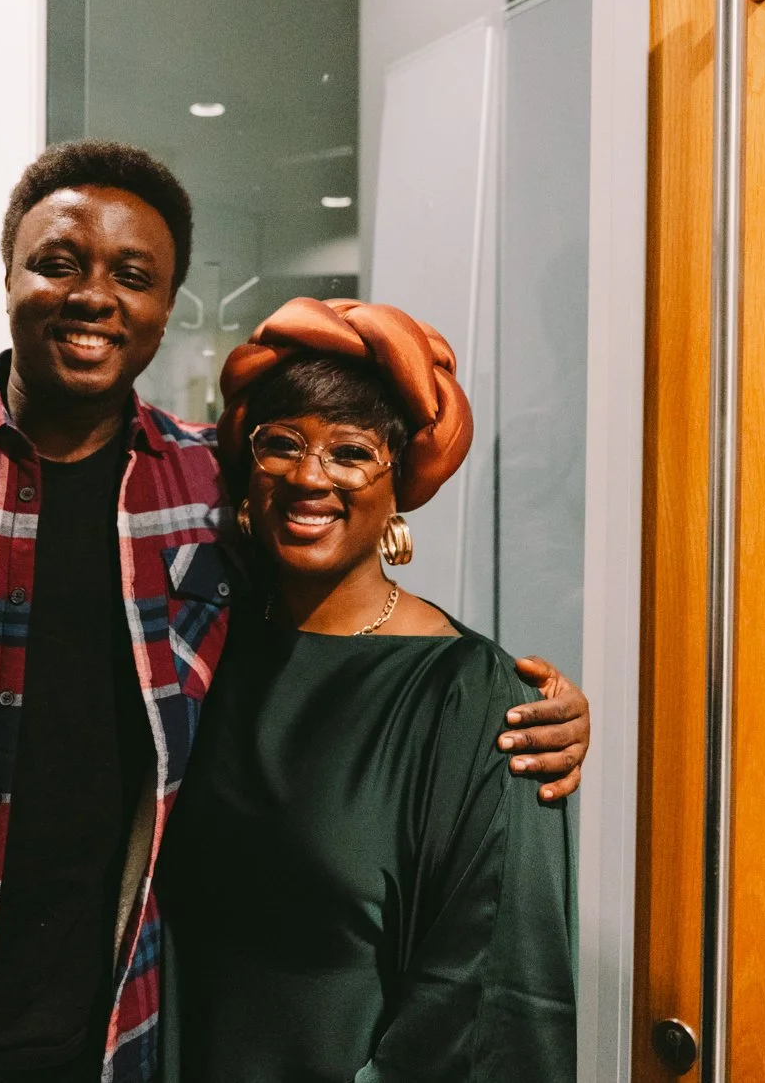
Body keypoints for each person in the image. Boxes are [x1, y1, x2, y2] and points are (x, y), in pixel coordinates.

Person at [0, 141, 590, 1083]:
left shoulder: (205, 492)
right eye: (58, 262)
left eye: (134, 275)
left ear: (167, 307)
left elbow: (338, 606)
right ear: (7, 271)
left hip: (123, 1040)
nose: (95, 296)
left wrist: (522, 709)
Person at [157, 298, 574, 1081]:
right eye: (282, 444)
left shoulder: (470, 696)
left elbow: (485, 996)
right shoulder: (206, 648)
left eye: (349, 452)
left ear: (400, 486)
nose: (309, 476)